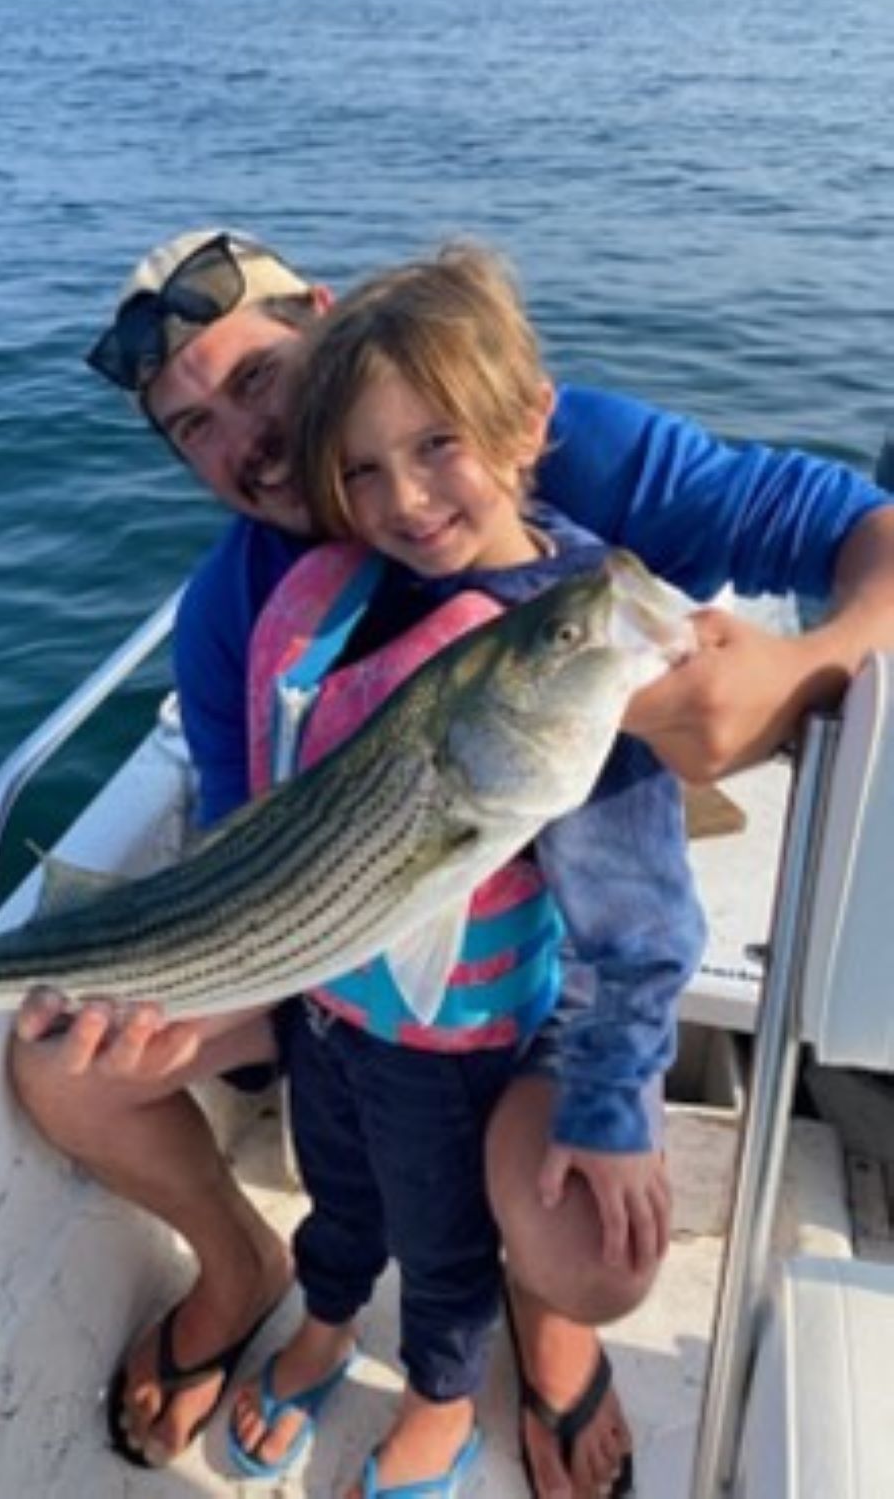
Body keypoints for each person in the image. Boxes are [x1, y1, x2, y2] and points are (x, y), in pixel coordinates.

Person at [9, 228, 894, 1498]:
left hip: (538, 985)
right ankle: (247, 1268)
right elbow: (263, 859)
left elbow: (864, 531)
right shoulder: (236, 607)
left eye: (257, 379)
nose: (252, 440)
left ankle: (539, 1316)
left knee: (586, 1244)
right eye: (195, 427)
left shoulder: (544, 455)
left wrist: (799, 673)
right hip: (338, 968)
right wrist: (190, 994)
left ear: (324, 320)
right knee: (66, 1069)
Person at [225, 244, 702, 1498]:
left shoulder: (577, 653)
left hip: (451, 1043)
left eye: (437, 444)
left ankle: (440, 1395)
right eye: (364, 469)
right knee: (337, 1193)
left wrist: (611, 1105)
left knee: (442, 1239)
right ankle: (327, 1320)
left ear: (528, 422)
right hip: (327, 1003)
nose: (405, 496)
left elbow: (639, 919)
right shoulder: (350, 591)